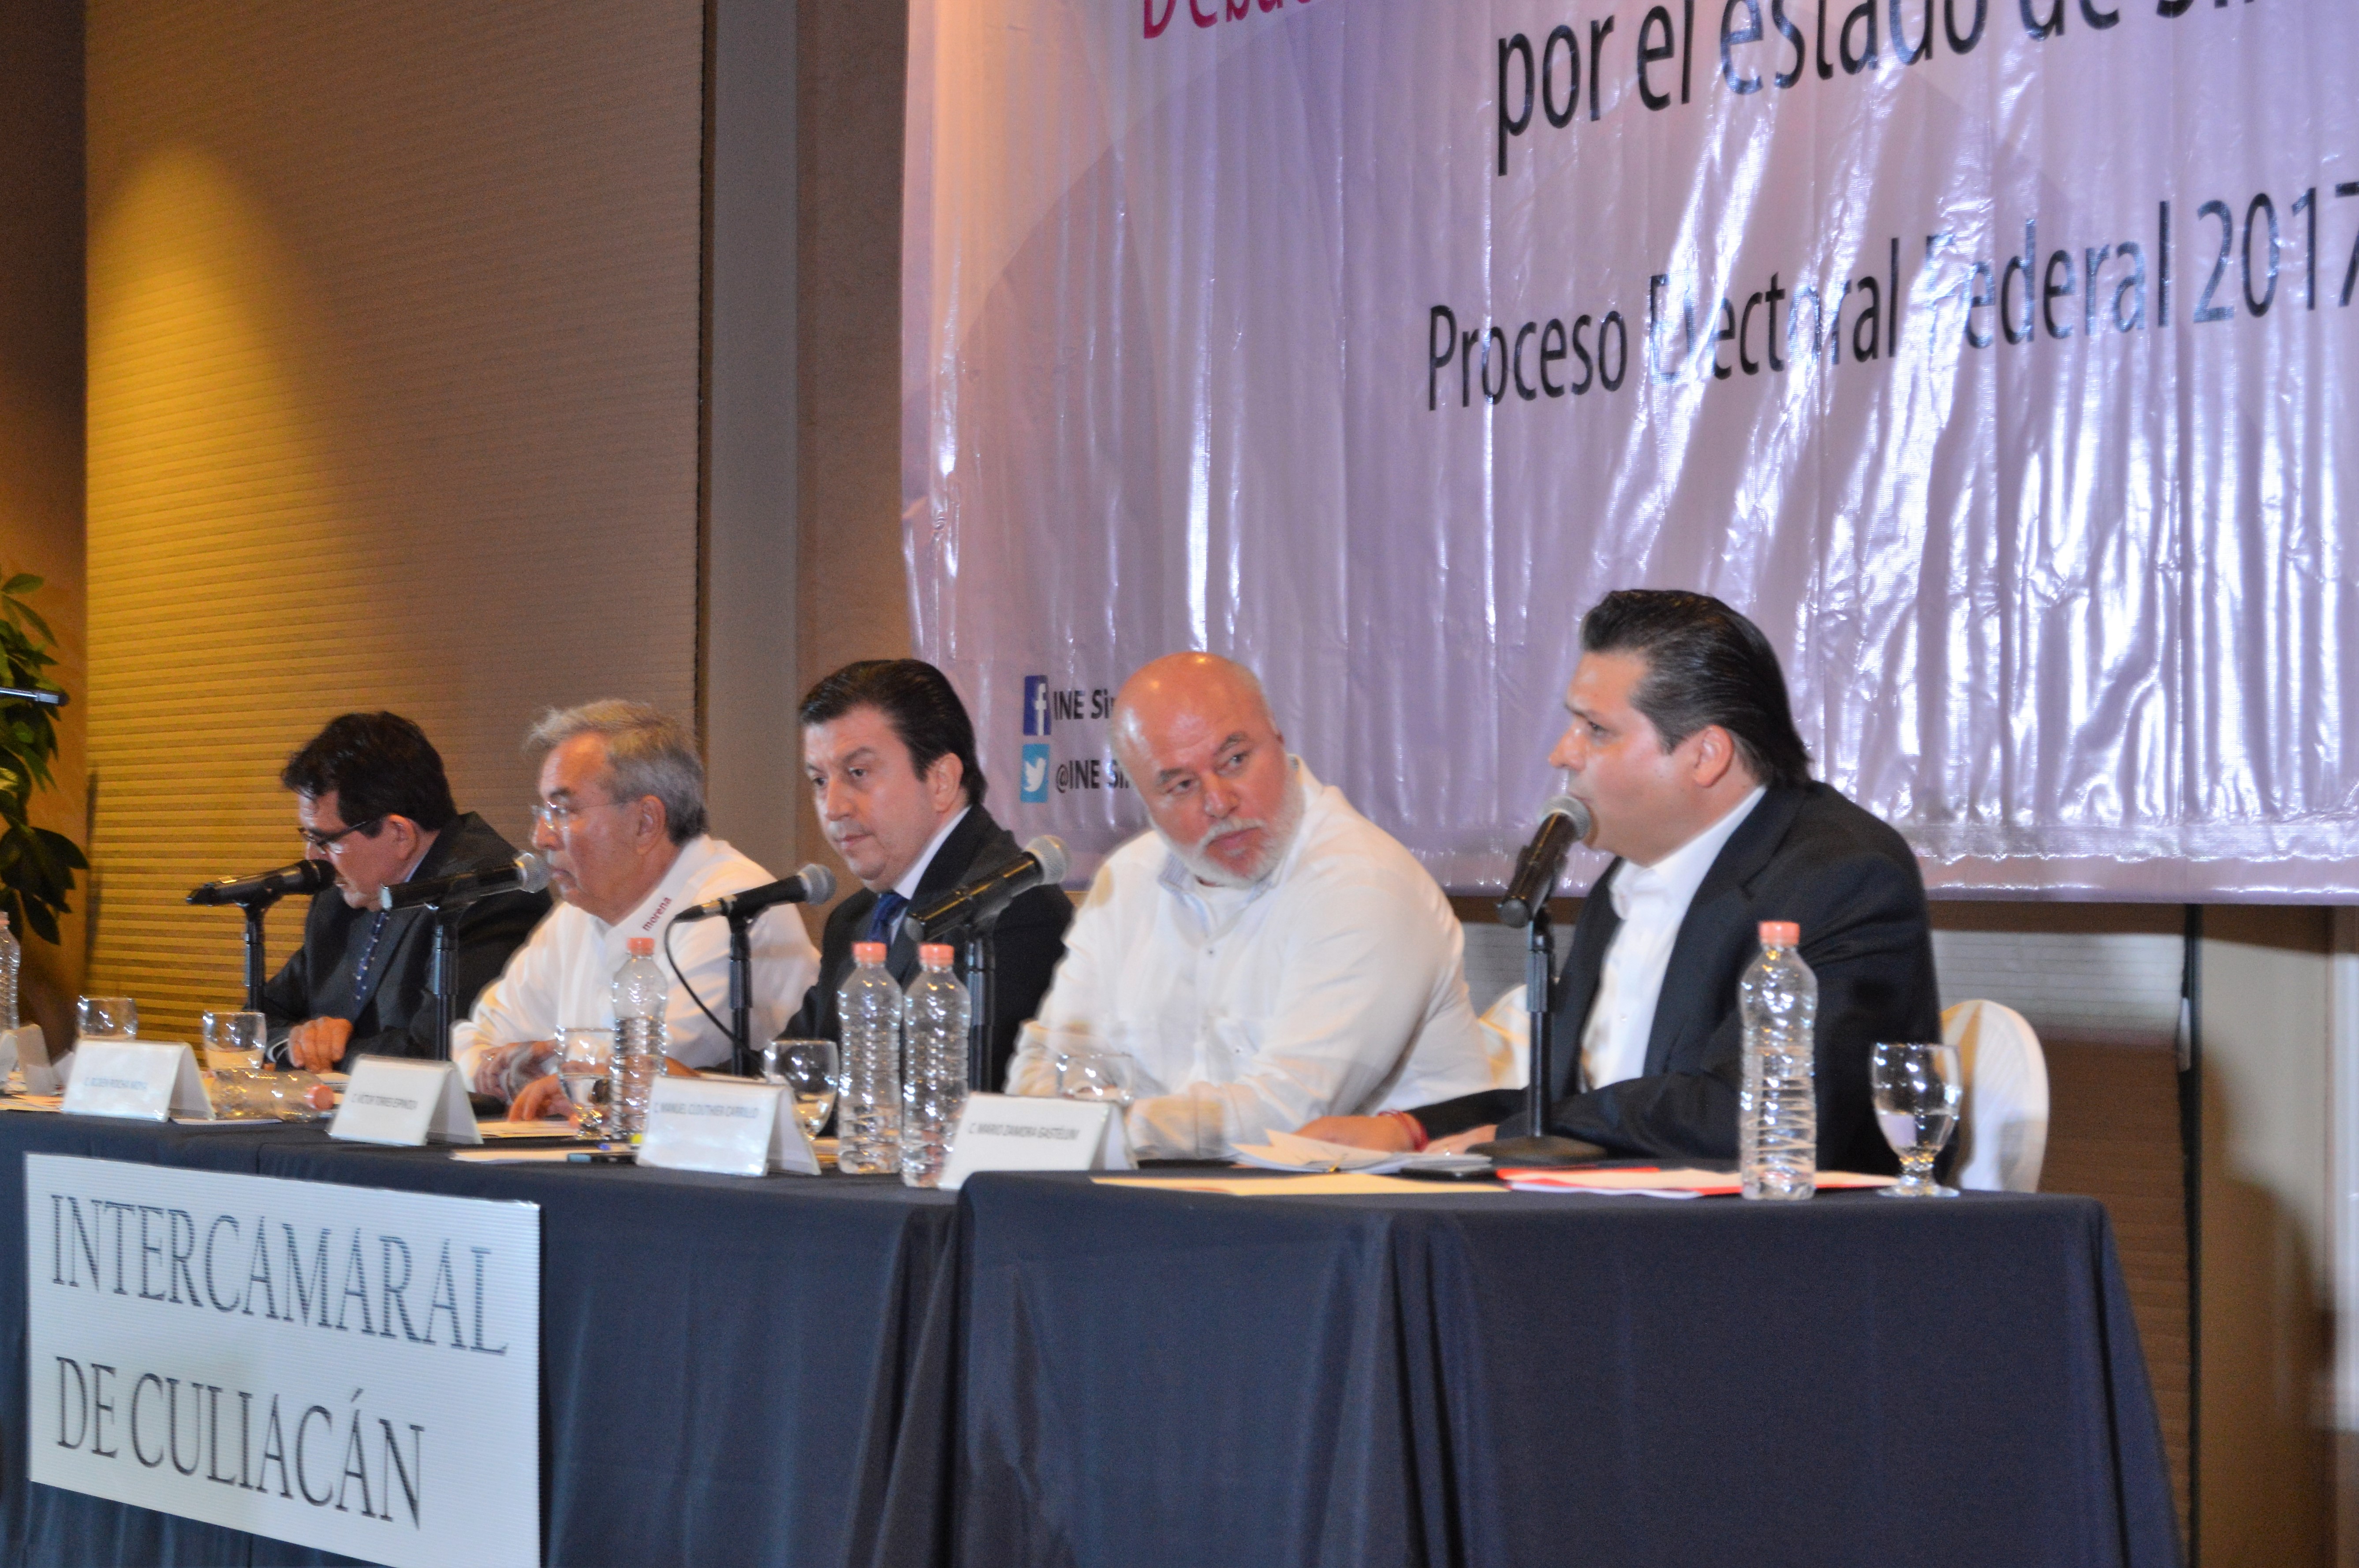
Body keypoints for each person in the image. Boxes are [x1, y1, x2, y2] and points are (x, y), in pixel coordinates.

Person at [1300, 589, 1939, 1171]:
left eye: (1597, 730)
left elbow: (1752, 1115)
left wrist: (1519, 1133)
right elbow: (1582, 1102)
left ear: (1705, 755)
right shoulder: (1625, 878)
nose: (1563, 752)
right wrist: (1409, 1129)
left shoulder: (1842, 877)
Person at [1008, 652, 1514, 1158]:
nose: (1218, 801)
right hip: (1174, 1191)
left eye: (1235, 760)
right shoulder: (1127, 877)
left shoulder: (1364, 882)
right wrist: (1052, 1128)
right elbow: (1052, 1055)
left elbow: (1288, 1113)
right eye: (1181, 785)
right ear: (1145, 800)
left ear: (1279, 739)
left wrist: (1101, 1129)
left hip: (1376, 1199)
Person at [456, 701, 820, 1117]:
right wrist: (506, 1069)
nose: (541, 837)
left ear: (646, 822)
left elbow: (653, 1071)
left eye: (563, 811)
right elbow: (472, 1039)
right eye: (543, 811)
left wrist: (542, 1063)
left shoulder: (735, 905)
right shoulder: (577, 913)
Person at [786, 659, 1072, 1091]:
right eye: (820, 780)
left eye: (858, 773)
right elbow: (799, 1070)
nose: (833, 807)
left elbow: (943, 1096)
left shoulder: (1012, 909)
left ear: (941, 781)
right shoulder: (854, 919)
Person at [263, 712, 549, 1070]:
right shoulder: (344, 894)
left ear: (400, 834)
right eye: (308, 837)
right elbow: (259, 1018)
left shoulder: (490, 894)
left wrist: (331, 1052)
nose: (312, 857)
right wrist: (294, 1042)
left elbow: (436, 1051)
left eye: (326, 840)